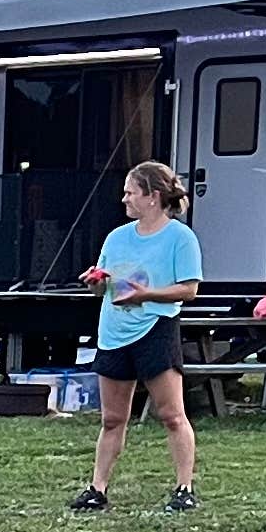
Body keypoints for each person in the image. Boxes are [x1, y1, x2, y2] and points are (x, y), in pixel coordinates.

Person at [72, 160, 202, 513]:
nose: (124, 199)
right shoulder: (117, 237)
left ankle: (184, 488)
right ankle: (97, 489)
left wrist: (146, 295)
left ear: (152, 196)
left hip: (155, 330)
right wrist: (96, 284)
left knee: (172, 415)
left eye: (131, 192)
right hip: (114, 332)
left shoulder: (180, 238)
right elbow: (103, 289)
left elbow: (188, 290)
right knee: (112, 419)